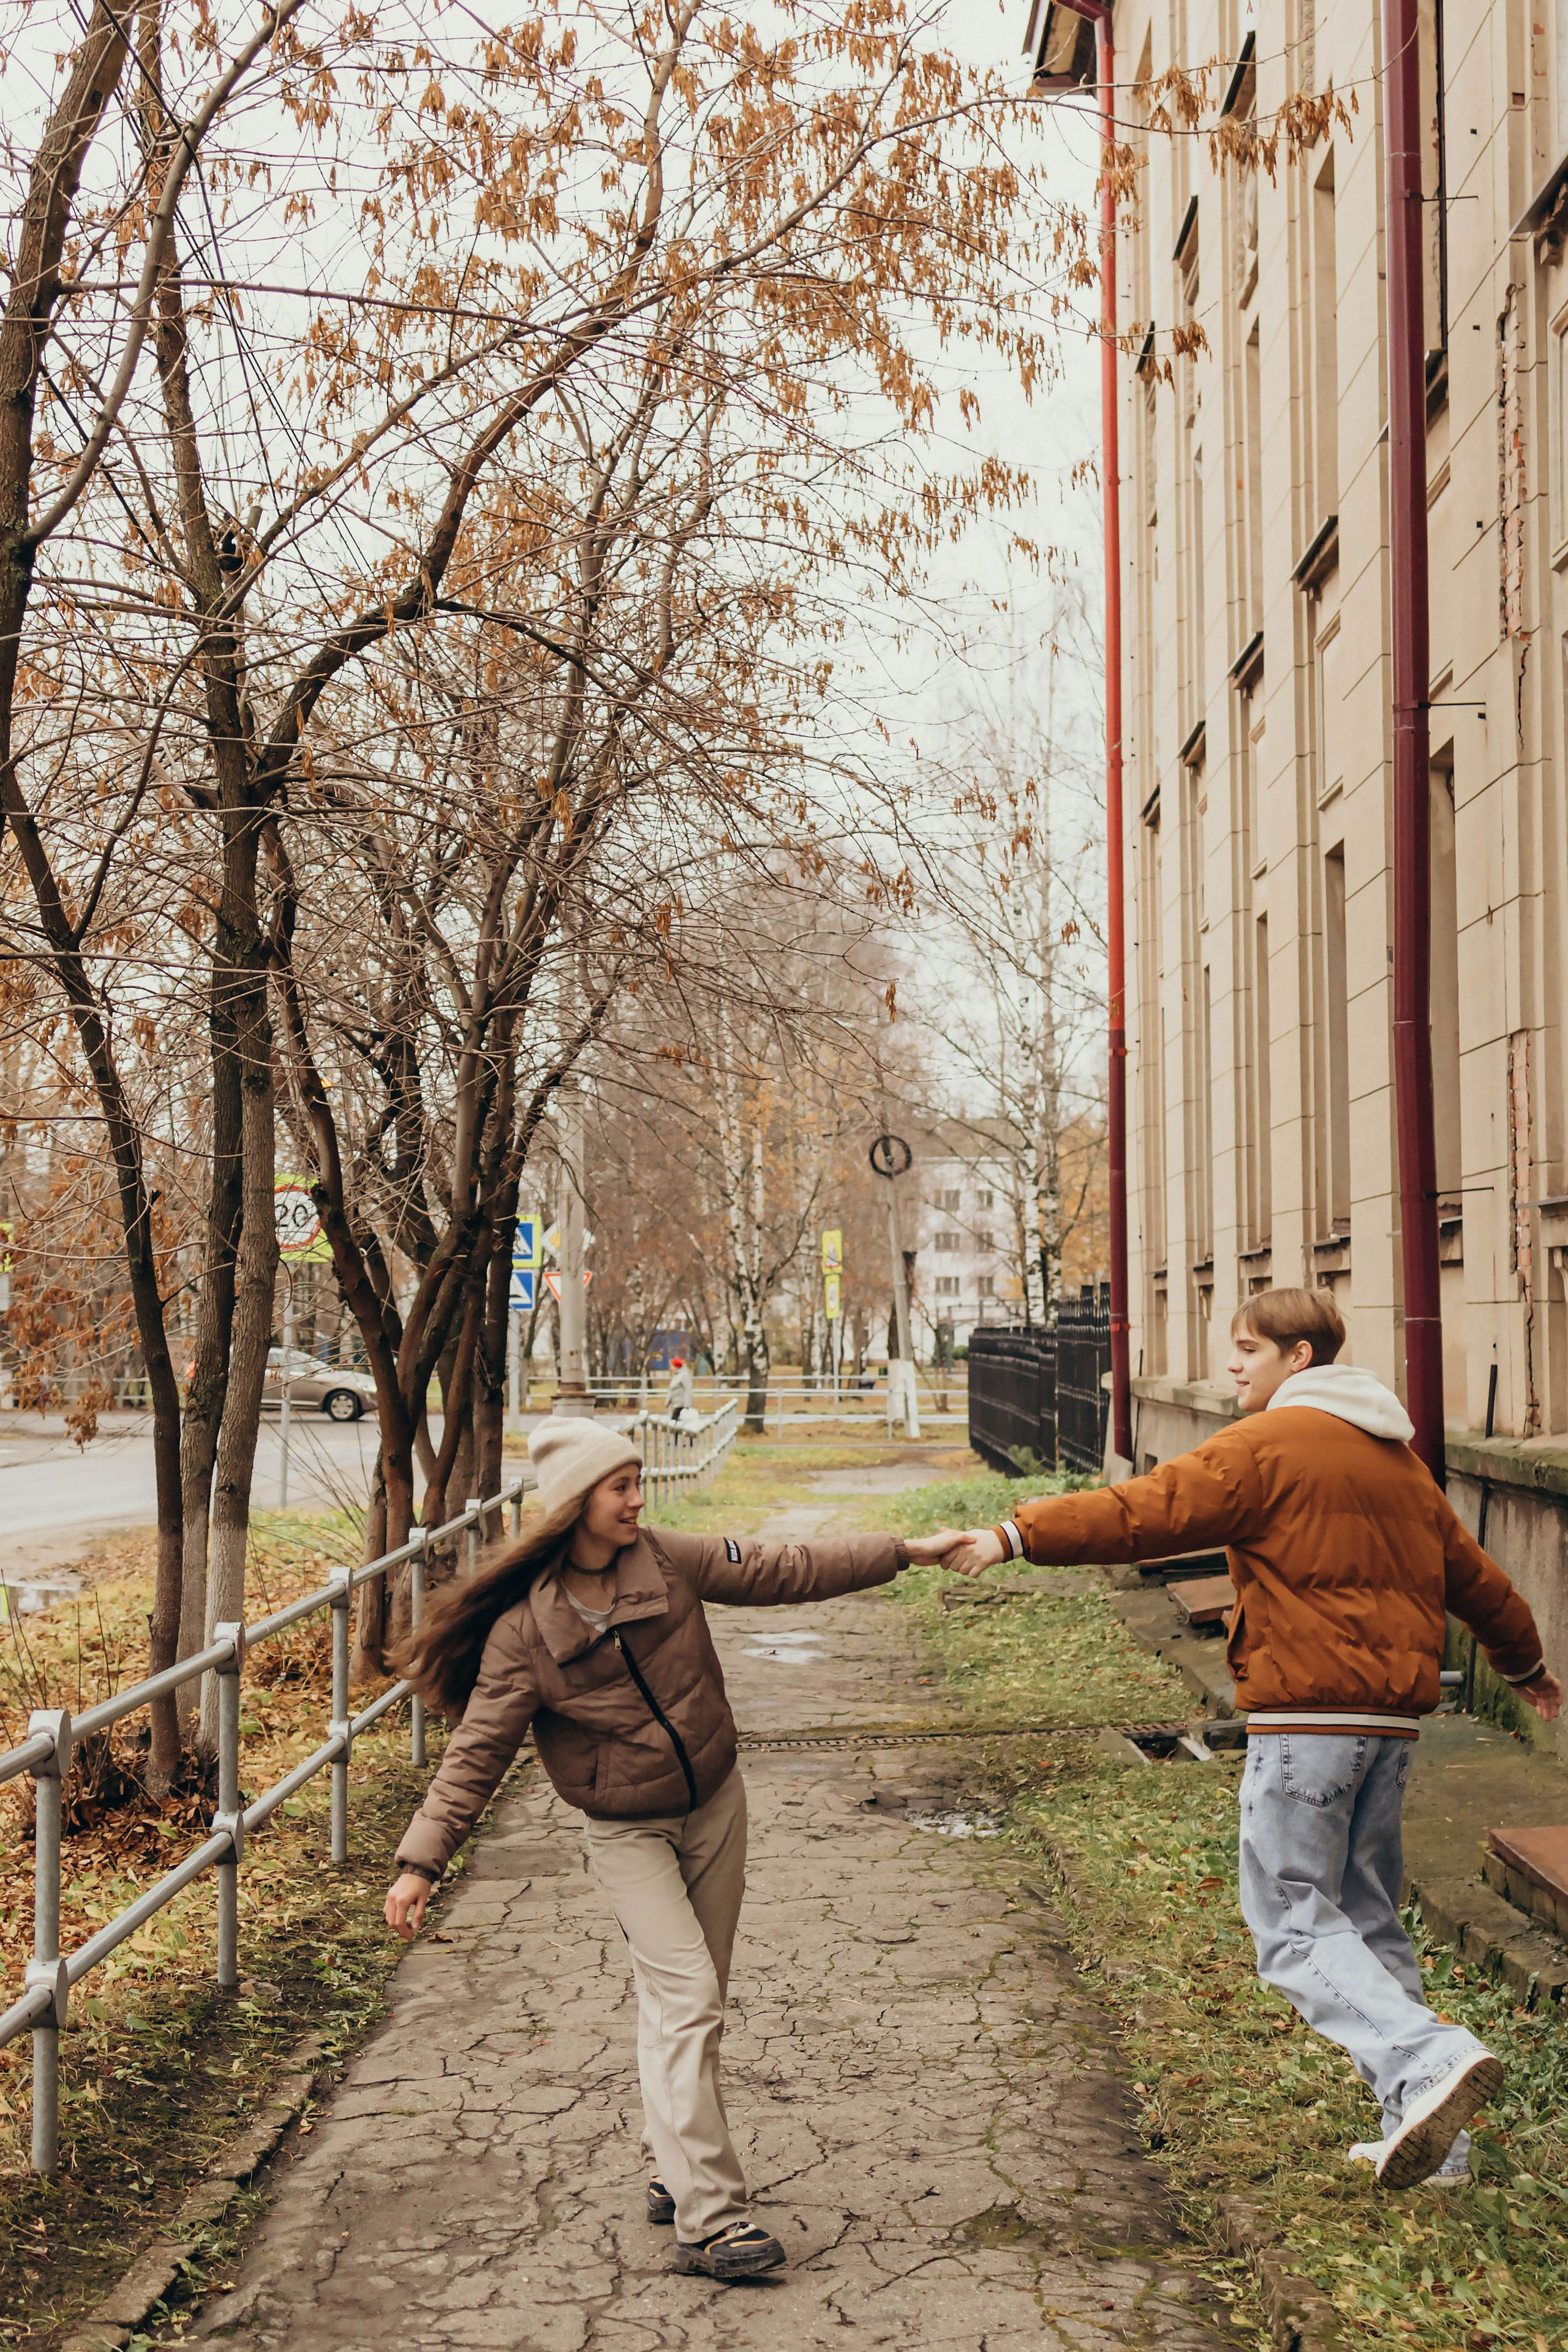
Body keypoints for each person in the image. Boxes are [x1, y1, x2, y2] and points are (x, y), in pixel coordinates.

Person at [925, 1286, 1563, 2190]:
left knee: (1291, 1925)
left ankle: (1425, 2060)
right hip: (1389, 1729)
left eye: (1246, 1350)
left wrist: (1013, 1533)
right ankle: (1438, 2144)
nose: (1231, 1366)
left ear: (1298, 1359)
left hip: (1307, 1721)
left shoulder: (1268, 1445)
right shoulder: (1399, 1462)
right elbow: (1481, 1581)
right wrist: (1526, 1665)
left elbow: (1145, 1509)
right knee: (1365, 1917)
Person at [385, 1417, 951, 2278]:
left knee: (695, 1997)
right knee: (687, 1997)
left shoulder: (666, 1559)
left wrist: (902, 1552)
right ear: (577, 1502)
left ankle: (674, 2164)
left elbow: (779, 1569)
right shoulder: (523, 1633)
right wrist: (421, 1862)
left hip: (716, 1803)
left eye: (639, 1480)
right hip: (626, 1830)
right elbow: (476, 1755)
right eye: (621, 1486)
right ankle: (713, 2221)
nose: (638, 1499)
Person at [665, 1355, 695, 1420]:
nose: (671, 1368)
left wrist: (687, 1405)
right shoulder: (676, 1376)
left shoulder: (684, 1375)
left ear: (677, 1367)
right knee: (675, 1423)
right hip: (676, 1404)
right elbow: (672, 1390)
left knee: (674, 1422)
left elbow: (688, 1389)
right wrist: (667, 1402)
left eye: (672, 1366)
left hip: (682, 1405)